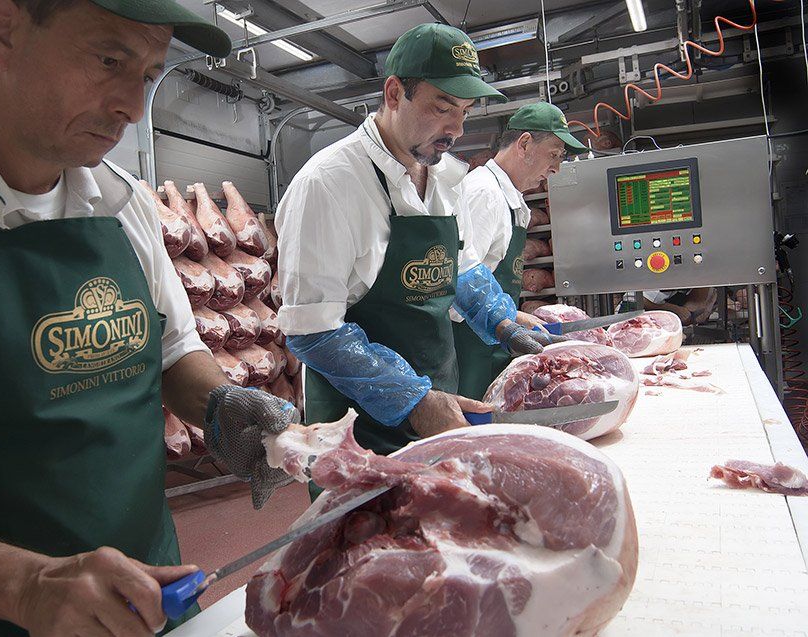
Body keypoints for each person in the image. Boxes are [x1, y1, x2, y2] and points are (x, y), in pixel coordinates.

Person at [0, 1, 294, 636]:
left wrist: (222, 405)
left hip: (149, 600)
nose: (133, 107)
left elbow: (172, 349)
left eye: (148, 75)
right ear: (5, 28)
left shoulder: (120, 202)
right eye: (109, 60)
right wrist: (27, 587)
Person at [276, 24, 562, 468]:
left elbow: (459, 266)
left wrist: (502, 322)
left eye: (465, 111)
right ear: (394, 94)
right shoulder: (328, 184)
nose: (457, 129)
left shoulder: (447, 176)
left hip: (442, 397)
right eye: (443, 108)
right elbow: (312, 330)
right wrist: (413, 400)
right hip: (358, 426)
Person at [453, 102, 588, 399]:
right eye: (554, 155)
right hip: (468, 352)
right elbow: (455, 283)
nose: (556, 168)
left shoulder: (508, 198)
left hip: (490, 346)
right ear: (524, 144)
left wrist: (513, 316)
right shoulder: (483, 193)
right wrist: (509, 317)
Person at [619, 288, 719, 324]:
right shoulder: (671, 279)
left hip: (650, 317)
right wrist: (676, 310)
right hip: (630, 311)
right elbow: (640, 299)